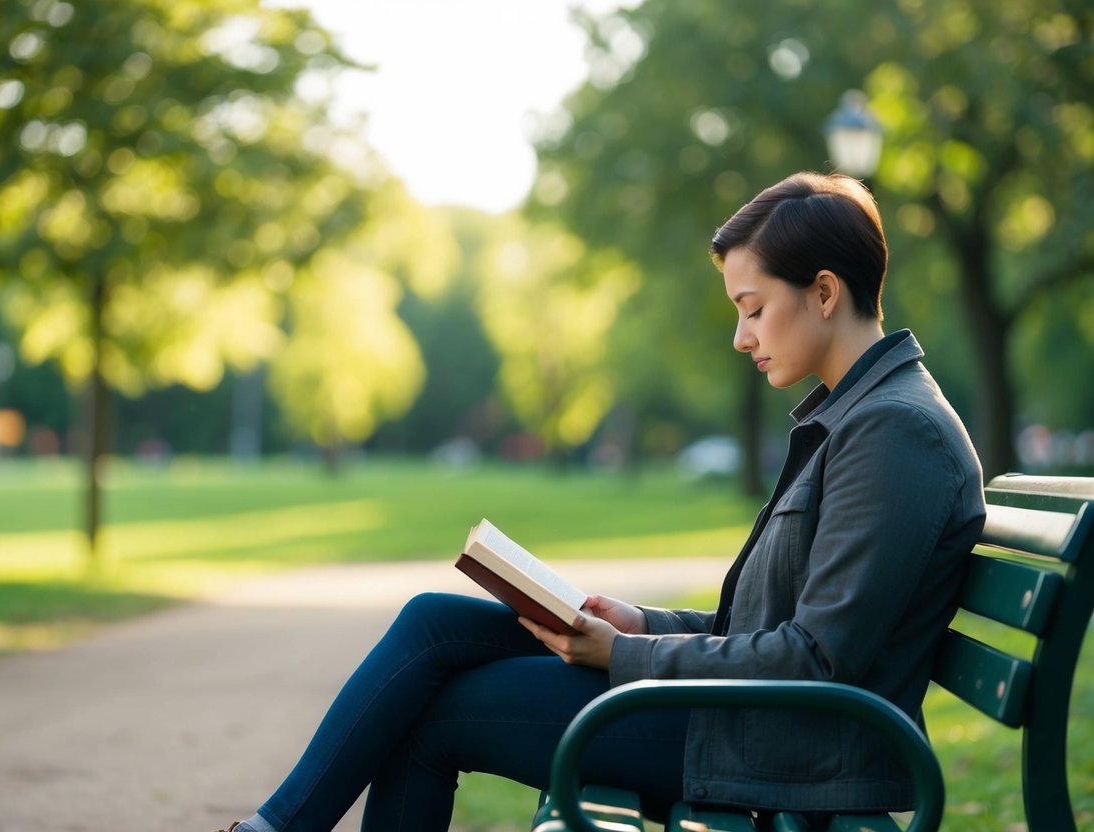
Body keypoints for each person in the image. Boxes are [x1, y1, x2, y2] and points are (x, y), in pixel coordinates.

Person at [213, 171, 985, 832]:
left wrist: (626, 657)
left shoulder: (892, 432)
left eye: (751, 307)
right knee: (433, 621)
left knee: (430, 719)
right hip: (754, 720)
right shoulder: (861, 414)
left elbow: (815, 661)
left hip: (784, 746)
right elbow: (781, 630)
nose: (740, 337)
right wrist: (642, 624)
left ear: (823, 292)